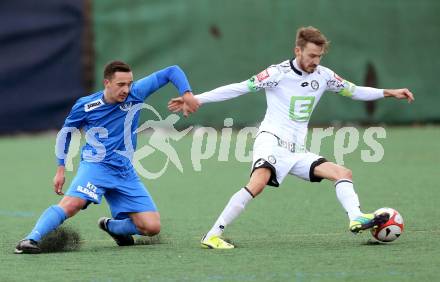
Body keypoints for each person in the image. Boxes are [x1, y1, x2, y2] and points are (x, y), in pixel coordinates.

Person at [168, 26, 415, 249]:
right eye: (311, 56)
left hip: (297, 151)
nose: (315, 61)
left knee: (343, 173)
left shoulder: (324, 75)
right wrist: (197, 98)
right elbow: (239, 87)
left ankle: (355, 218)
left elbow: (354, 91)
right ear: (298, 50)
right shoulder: (277, 73)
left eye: (319, 56)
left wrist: (389, 93)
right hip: (271, 140)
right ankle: (212, 235)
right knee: (259, 182)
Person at [15, 61, 199, 254]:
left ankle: (111, 226)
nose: (126, 89)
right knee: (72, 204)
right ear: (107, 83)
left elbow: (172, 71)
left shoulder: (135, 93)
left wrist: (187, 94)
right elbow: (65, 134)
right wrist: (60, 168)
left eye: (129, 83)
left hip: (124, 171)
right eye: (121, 84)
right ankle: (30, 240)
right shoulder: (86, 105)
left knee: (152, 227)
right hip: (96, 167)